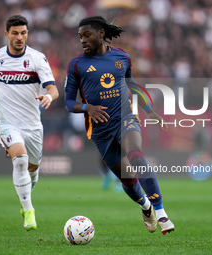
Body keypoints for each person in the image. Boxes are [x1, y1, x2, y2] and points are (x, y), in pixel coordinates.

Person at [64, 16, 174, 234]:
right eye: (80, 37)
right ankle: (146, 206)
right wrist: (87, 108)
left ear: (101, 33)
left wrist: (149, 109)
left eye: (87, 35)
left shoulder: (122, 57)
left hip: (126, 118)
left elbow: (132, 85)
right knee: (129, 180)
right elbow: (68, 102)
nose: (83, 40)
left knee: (136, 155)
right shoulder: (77, 65)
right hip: (100, 130)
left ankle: (161, 213)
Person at [0, 15, 58, 231]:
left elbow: (52, 88)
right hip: (6, 122)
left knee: (32, 169)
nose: (19, 37)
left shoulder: (37, 58)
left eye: (23, 33)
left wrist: (49, 97)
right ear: (6, 33)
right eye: (15, 33)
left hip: (32, 124)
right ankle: (29, 211)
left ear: (27, 34)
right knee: (20, 160)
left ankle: (24, 197)